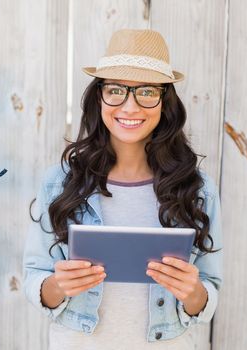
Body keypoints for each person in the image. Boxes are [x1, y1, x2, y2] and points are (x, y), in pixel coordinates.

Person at [22, 29, 223, 349]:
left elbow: (208, 291)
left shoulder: (198, 190)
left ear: (164, 101)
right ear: (99, 96)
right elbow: (35, 280)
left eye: (146, 91)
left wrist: (193, 291)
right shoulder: (59, 184)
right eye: (116, 90)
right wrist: (59, 285)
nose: (130, 107)